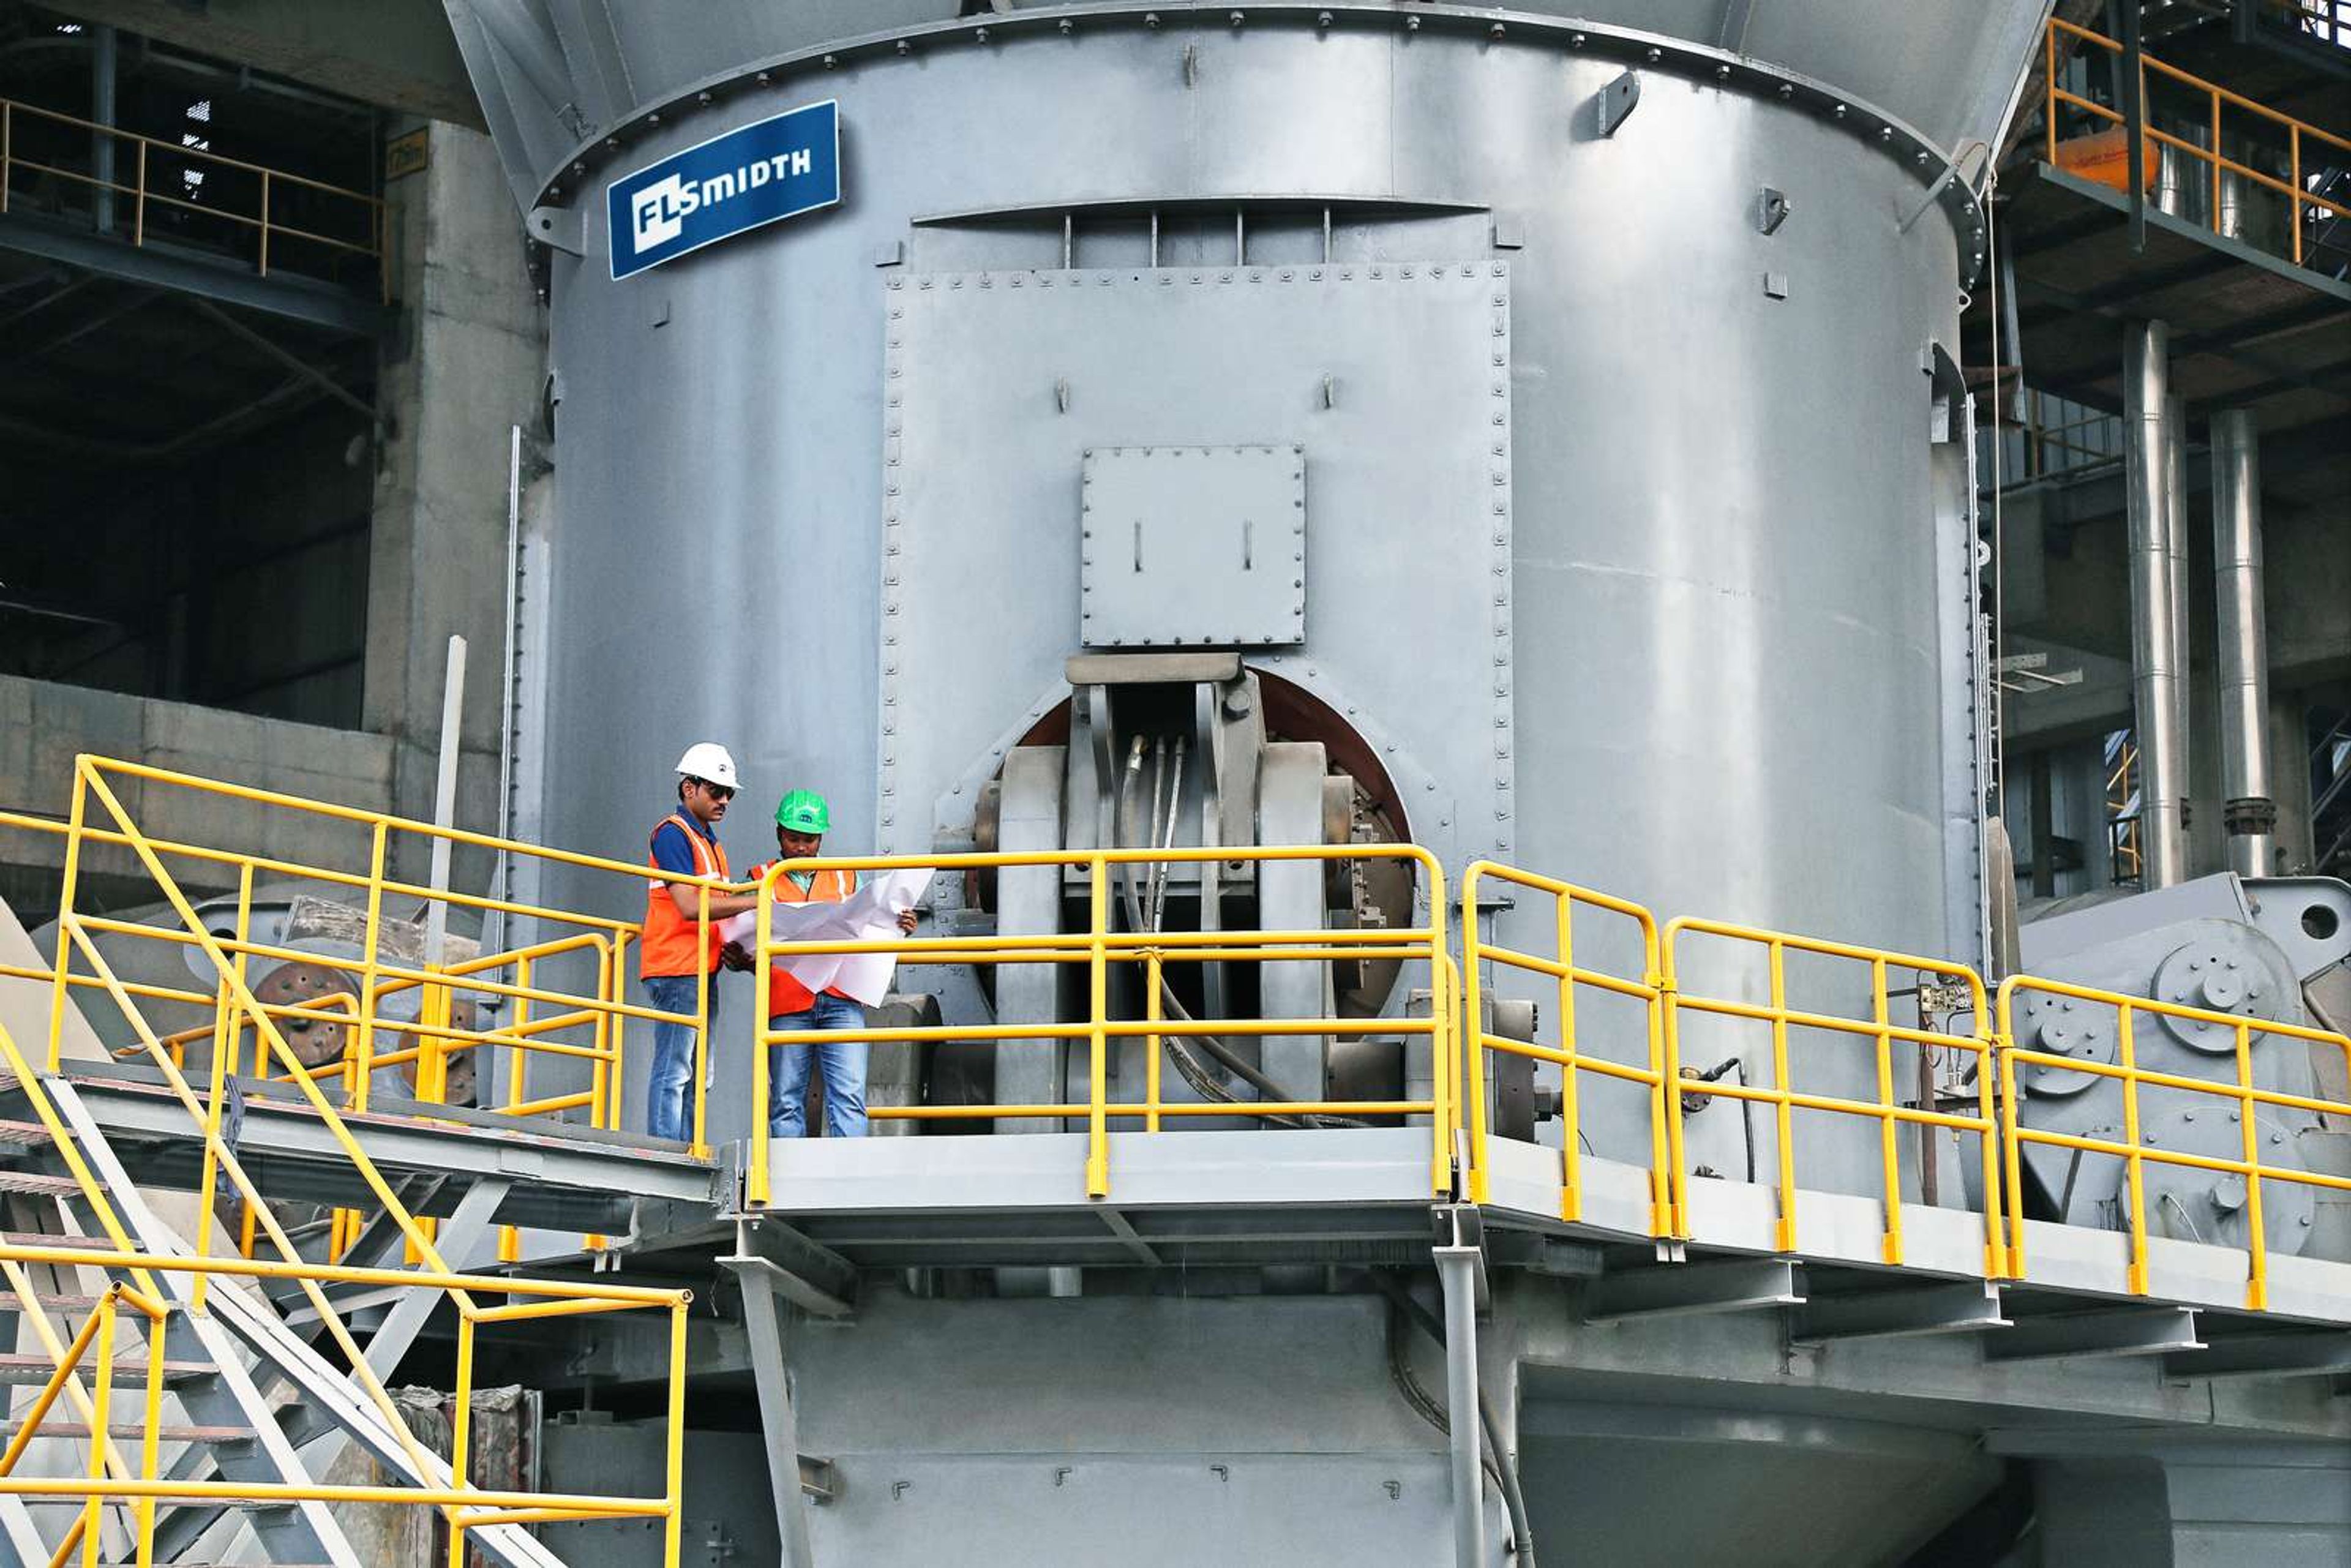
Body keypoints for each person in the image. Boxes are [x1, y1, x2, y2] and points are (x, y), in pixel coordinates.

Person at [743, 789, 916, 1139]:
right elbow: (743, 942)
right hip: (788, 1000)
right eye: (794, 839)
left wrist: (900, 925)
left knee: (849, 1094)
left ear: (821, 837)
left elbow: (872, 923)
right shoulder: (759, 879)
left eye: (810, 839)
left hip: (841, 997)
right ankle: (787, 1181)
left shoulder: (847, 878)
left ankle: (846, 1179)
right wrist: (742, 958)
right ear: (779, 834)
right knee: (786, 1097)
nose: (803, 848)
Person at [639, 743, 758, 1142]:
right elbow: (690, 906)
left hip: (701, 968)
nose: (724, 800)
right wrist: (757, 899)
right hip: (677, 968)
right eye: (715, 790)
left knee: (695, 1073)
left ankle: (685, 1149)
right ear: (689, 788)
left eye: (730, 793)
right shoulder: (673, 834)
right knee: (675, 1069)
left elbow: (715, 907)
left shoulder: (710, 843)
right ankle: (666, 1152)